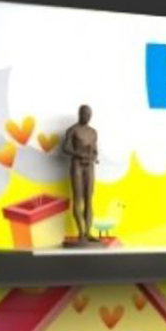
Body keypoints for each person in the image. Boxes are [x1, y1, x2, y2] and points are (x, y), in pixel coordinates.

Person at [62, 104, 100, 244]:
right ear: (80, 114)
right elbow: (65, 148)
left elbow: (95, 150)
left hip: (89, 165)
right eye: (85, 114)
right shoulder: (72, 130)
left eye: (89, 115)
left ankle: (88, 232)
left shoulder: (93, 132)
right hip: (77, 165)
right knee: (78, 198)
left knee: (89, 199)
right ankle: (81, 232)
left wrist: (94, 157)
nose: (87, 117)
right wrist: (78, 153)